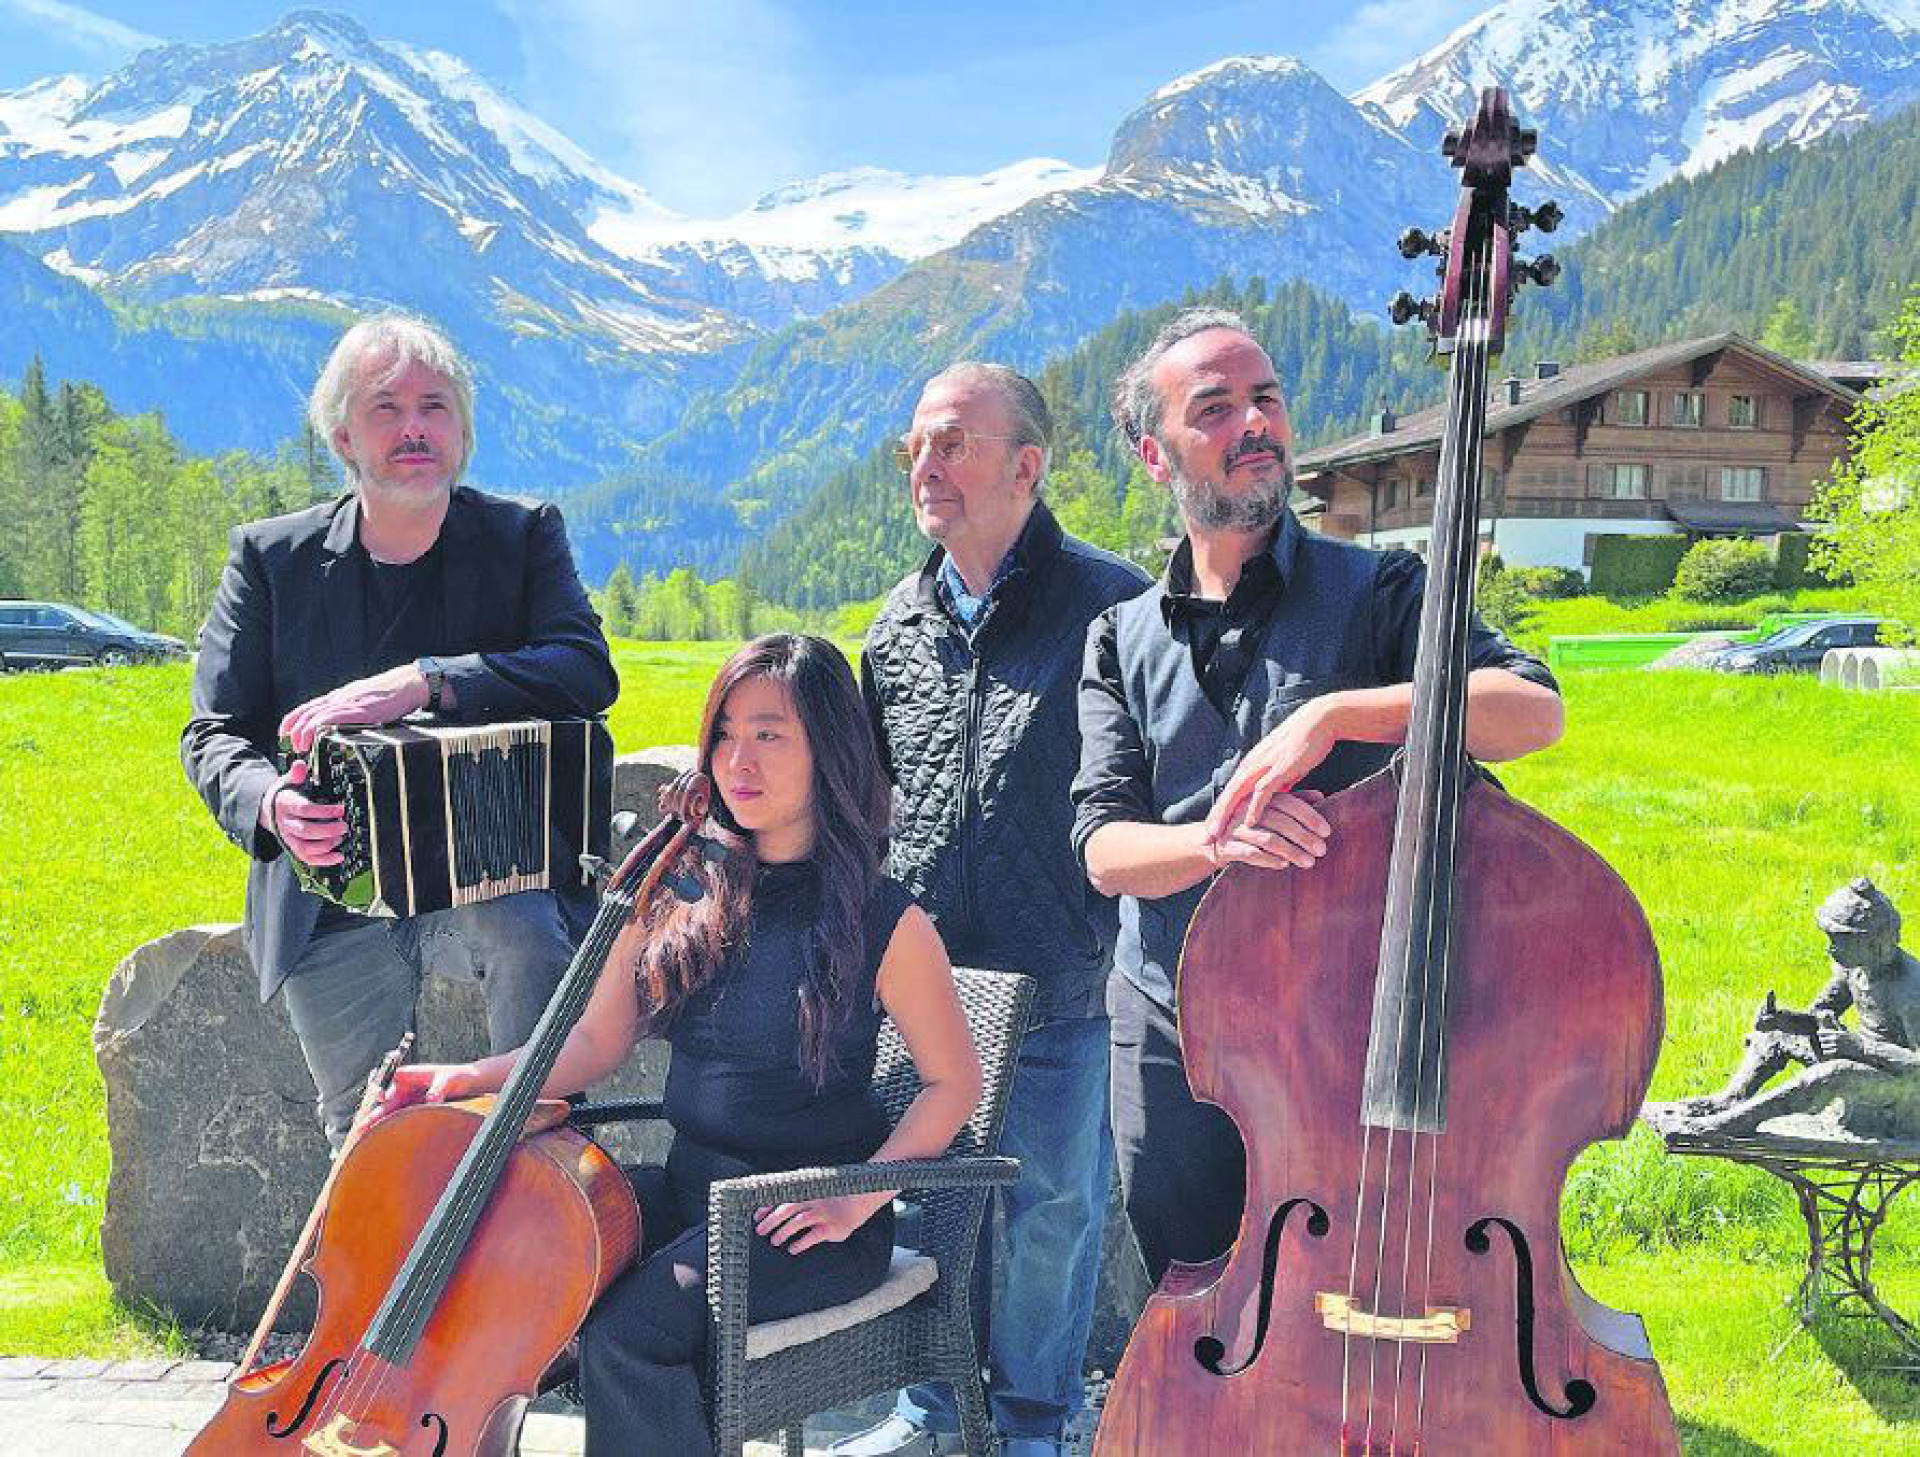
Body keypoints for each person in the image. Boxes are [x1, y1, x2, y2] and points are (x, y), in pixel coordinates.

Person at [376, 633, 983, 1455]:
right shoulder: (685, 884)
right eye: (725, 733)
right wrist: (465, 1079)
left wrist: (860, 1196)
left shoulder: (887, 919)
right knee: (522, 1260)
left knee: (630, 1335)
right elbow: (592, 1038)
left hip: (804, 1219)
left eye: (769, 733)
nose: (739, 759)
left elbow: (954, 1084)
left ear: (831, 749)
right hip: (695, 1187)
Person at [1071, 308, 1565, 1283]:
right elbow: (1101, 844)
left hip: (1346, 1037)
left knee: (1354, 1305)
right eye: (1214, 407)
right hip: (1172, 1035)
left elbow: (1531, 712)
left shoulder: (1381, 589)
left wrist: (1343, 712)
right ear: (1153, 453)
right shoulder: (1116, 634)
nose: (1255, 422)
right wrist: (1217, 842)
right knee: (1196, 1302)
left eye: (1266, 397)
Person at [181, 313, 618, 1147]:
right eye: (387, 408)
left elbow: (586, 671)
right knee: (367, 1136)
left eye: (435, 406)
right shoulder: (272, 560)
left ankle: (542, 1168)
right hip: (329, 900)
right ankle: (394, 1275)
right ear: (344, 435)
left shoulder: (523, 537)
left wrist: (430, 680)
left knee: (529, 976)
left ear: (463, 431)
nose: (415, 427)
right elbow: (213, 733)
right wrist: (272, 803)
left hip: (487, 879)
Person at [839, 365, 1150, 1457]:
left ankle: (1030, 1425)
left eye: (953, 443)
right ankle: (930, 1414)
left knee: (1057, 1213)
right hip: (927, 986)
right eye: (916, 445)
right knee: (927, 1208)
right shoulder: (893, 627)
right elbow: (867, 801)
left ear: (1028, 464)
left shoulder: (1115, 605)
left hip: (1065, 972)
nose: (926, 464)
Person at [1658, 877, 1920, 1139]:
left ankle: (1730, 1125)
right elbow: (1820, 1014)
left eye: (1839, 941)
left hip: (1904, 1092)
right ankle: (1731, 1100)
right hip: (1862, 1057)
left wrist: (1859, 1048)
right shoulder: (1855, 968)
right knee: (1773, 1038)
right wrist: (1782, 1020)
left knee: (1832, 1074)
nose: (1830, 949)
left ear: (1874, 945)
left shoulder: (1910, 990)